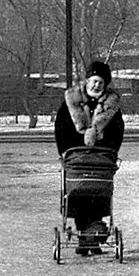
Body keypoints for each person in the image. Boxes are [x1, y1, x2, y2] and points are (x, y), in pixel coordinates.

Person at [55, 60, 125, 255]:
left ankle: (90, 235)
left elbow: (118, 130)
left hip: (100, 157)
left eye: (100, 82)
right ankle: (88, 234)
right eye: (94, 81)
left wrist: (109, 149)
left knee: (98, 190)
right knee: (78, 191)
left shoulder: (111, 105)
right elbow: (61, 128)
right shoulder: (71, 100)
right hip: (76, 156)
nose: (96, 85)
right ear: (87, 81)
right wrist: (66, 151)